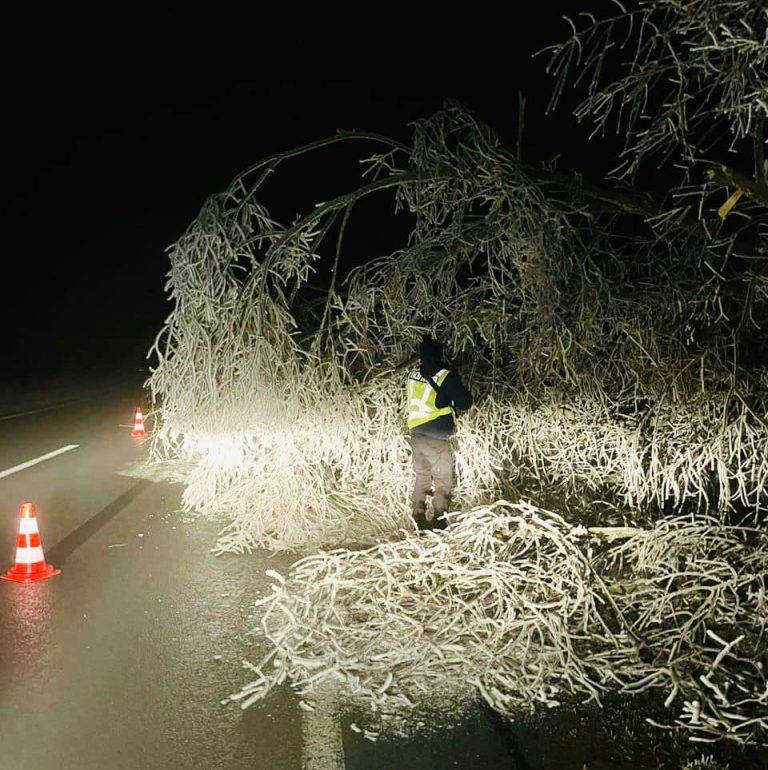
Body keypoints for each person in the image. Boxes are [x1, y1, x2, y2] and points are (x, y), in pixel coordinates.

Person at [406, 335, 473, 529]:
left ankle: (418, 518)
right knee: (443, 479)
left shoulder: (412, 375)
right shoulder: (445, 376)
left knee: (422, 476)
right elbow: (465, 402)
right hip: (436, 436)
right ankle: (439, 521)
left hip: (416, 434)